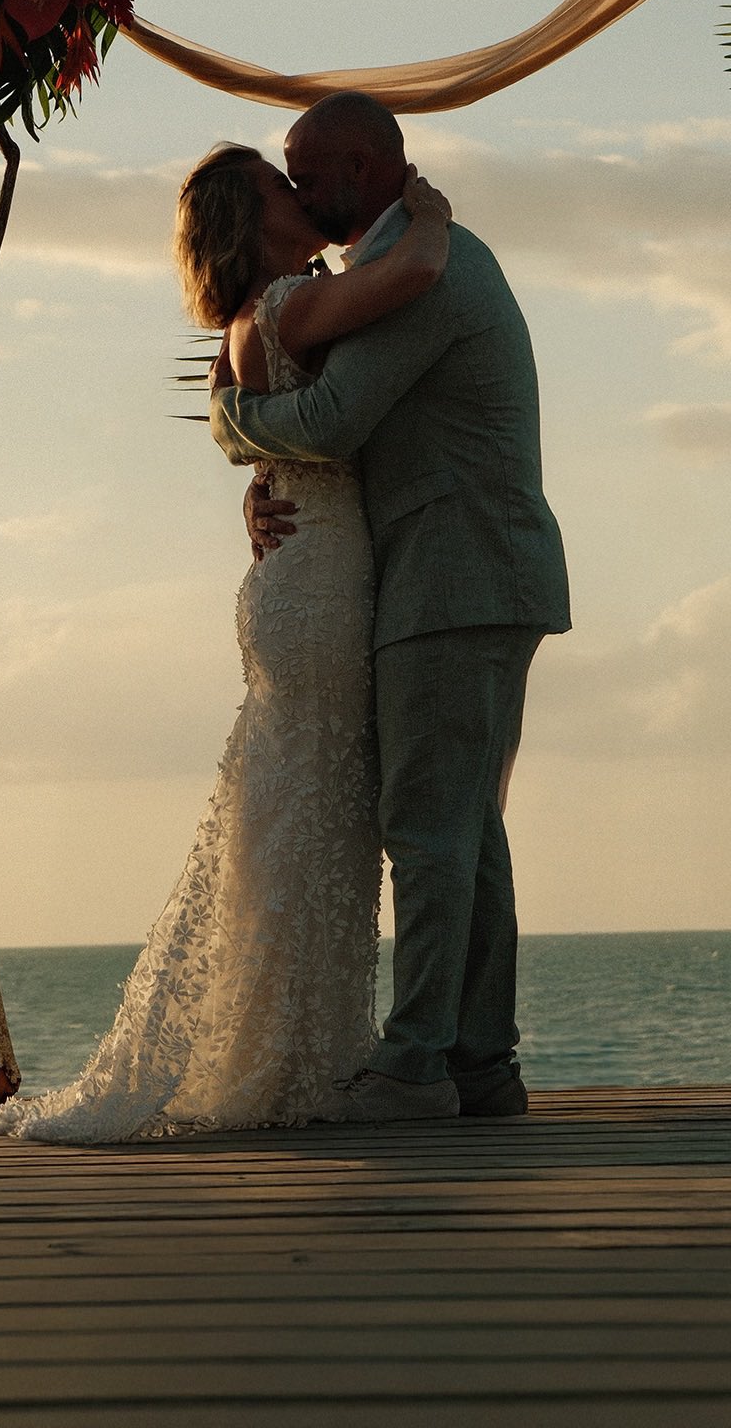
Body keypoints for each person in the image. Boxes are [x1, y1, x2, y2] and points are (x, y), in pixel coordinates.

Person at [0, 141, 452, 1143]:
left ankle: (288, 1054)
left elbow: (271, 428)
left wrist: (252, 476)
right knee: (316, 817)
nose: (300, 192)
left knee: (296, 817)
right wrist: (427, 206)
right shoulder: (286, 306)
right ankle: (287, 1061)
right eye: (281, 186)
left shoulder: (251, 326)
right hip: (318, 586)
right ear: (250, 218)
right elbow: (414, 272)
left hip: (295, 579)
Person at [211, 92, 571, 1123]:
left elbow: (331, 421)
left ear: (362, 168)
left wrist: (231, 422)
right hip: (459, 572)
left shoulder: (424, 267)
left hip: (458, 572)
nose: (298, 188)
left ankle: (413, 1066)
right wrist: (258, 478)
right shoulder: (390, 263)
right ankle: (481, 1063)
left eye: (306, 171)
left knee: (427, 825)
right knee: (463, 825)